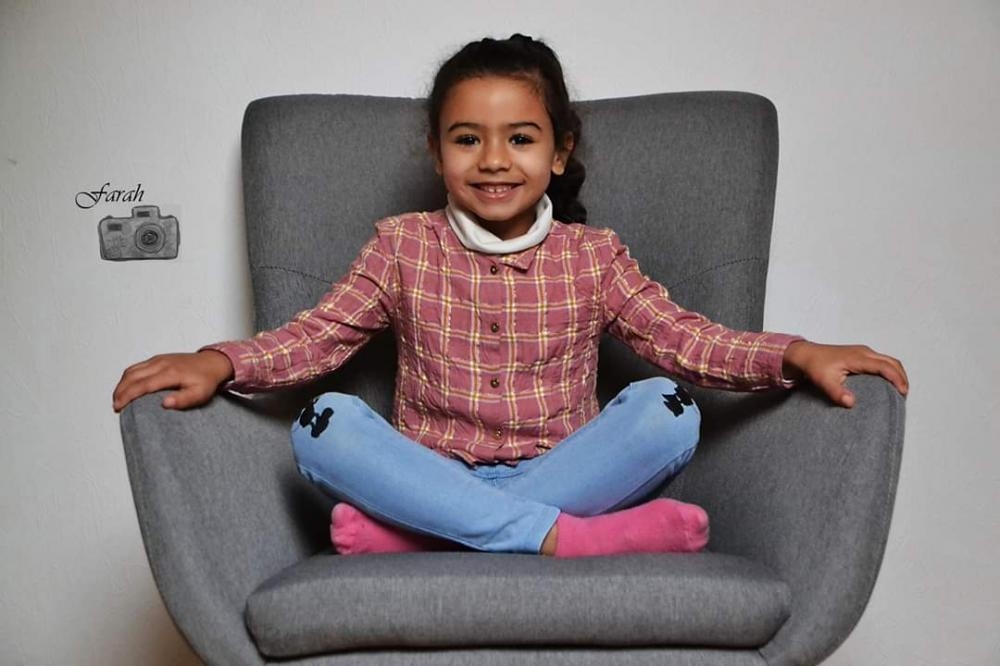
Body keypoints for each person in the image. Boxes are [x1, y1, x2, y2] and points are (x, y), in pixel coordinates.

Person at [112, 34, 908, 559]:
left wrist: (796, 353)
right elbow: (316, 338)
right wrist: (221, 362)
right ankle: (559, 538)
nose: (494, 160)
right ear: (437, 152)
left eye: (520, 138)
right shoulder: (401, 246)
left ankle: (429, 538)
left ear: (559, 151)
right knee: (324, 424)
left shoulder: (594, 257)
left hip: (567, 469)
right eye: (468, 139)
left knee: (668, 409)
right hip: (425, 470)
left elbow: (687, 339)